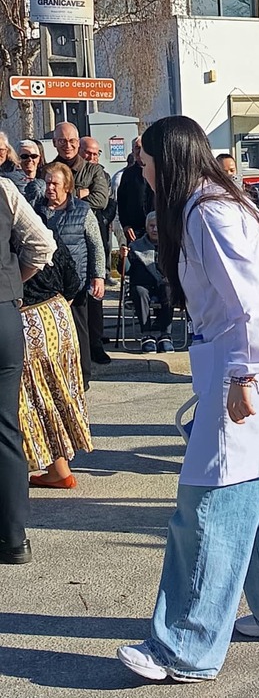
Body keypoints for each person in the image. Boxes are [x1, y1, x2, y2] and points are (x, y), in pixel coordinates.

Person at [116, 115, 259, 683]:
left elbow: (251, 302)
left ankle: (184, 645)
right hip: (256, 371)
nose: (142, 168)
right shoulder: (218, 206)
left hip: (248, 375)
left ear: (171, 158)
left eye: (147, 159)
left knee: (207, 508)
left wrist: (241, 377)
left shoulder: (209, 214)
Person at [0, 178, 56, 564]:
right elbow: (42, 245)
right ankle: (14, 537)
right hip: (3, 314)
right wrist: (10, 284)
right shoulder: (3, 189)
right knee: (5, 426)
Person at [20, 234, 92, 489]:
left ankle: (54, 469)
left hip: (27, 317)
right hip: (58, 313)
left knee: (31, 395)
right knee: (56, 391)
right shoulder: (39, 224)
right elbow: (72, 281)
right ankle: (59, 469)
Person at [39, 164, 106, 390]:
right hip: (45, 286)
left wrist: (98, 277)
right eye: (47, 182)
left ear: (67, 187)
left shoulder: (83, 211)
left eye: (54, 183)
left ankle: (82, 378)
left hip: (75, 284)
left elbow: (96, 245)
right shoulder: (37, 210)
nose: (49, 187)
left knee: (78, 332)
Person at [80, 136, 116, 366]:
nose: (92, 157)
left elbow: (106, 202)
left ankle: (96, 341)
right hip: (74, 236)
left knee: (97, 289)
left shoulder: (102, 175)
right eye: (88, 153)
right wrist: (80, 195)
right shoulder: (70, 170)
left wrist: (99, 215)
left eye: (96, 154)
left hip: (98, 230)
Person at [128, 212, 175, 353]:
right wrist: (124, 259)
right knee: (139, 291)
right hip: (143, 284)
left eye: (158, 226)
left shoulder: (170, 245)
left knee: (169, 290)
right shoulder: (135, 245)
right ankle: (146, 335)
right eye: (151, 226)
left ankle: (165, 335)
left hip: (163, 283)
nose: (155, 229)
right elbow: (126, 271)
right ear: (146, 227)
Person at [117, 136, 155, 242]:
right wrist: (125, 225)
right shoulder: (128, 174)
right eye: (137, 148)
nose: (140, 151)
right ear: (133, 151)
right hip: (135, 232)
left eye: (143, 148)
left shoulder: (159, 171)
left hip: (157, 230)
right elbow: (122, 202)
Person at [17, 139, 46, 207]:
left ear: (39, 158)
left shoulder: (47, 180)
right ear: (17, 158)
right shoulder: (11, 182)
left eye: (34, 156)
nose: (30, 159)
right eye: (24, 156)